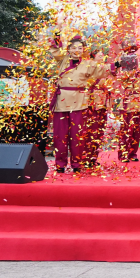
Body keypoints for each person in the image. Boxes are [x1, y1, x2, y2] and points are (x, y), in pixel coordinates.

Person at [48, 33, 109, 173]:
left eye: (80, 48)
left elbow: (101, 70)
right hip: (61, 102)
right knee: (60, 135)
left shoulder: (88, 64)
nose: (77, 50)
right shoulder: (63, 60)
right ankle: (60, 164)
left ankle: (77, 164)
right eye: (74, 47)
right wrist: (57, 35)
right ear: (68, 49)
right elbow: (55, 50)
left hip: (79, 102)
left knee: (78, 134)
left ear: (84, 50)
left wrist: (116, 65)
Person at [110, 36, 140, 163]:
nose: (132, 50)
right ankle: (123, 153)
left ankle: (133, 153)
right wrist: (131, 69)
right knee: (126, 128)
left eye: (133, 48)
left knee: (137, 128)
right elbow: (119, 77)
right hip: (128, 99)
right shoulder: (121, 62)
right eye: (129, 48)